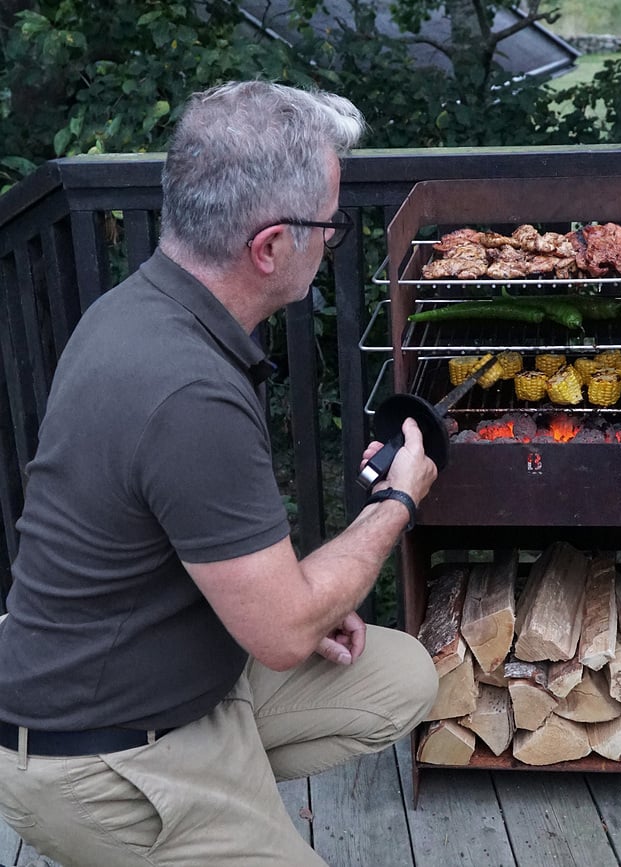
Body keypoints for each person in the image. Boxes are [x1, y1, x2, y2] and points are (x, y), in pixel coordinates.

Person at [0, 80, 439, 866]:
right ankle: (188, 822)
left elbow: (224, 573)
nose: (335, 236)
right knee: (297, 626)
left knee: (400, 676)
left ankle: (225, 804)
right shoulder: (187, 391)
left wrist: (300, 606)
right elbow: (281, 634)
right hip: (97, 753)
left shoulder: (137, 308)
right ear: (270, 246)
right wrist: (398, 499)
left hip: (185, 674)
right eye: (330, 227)